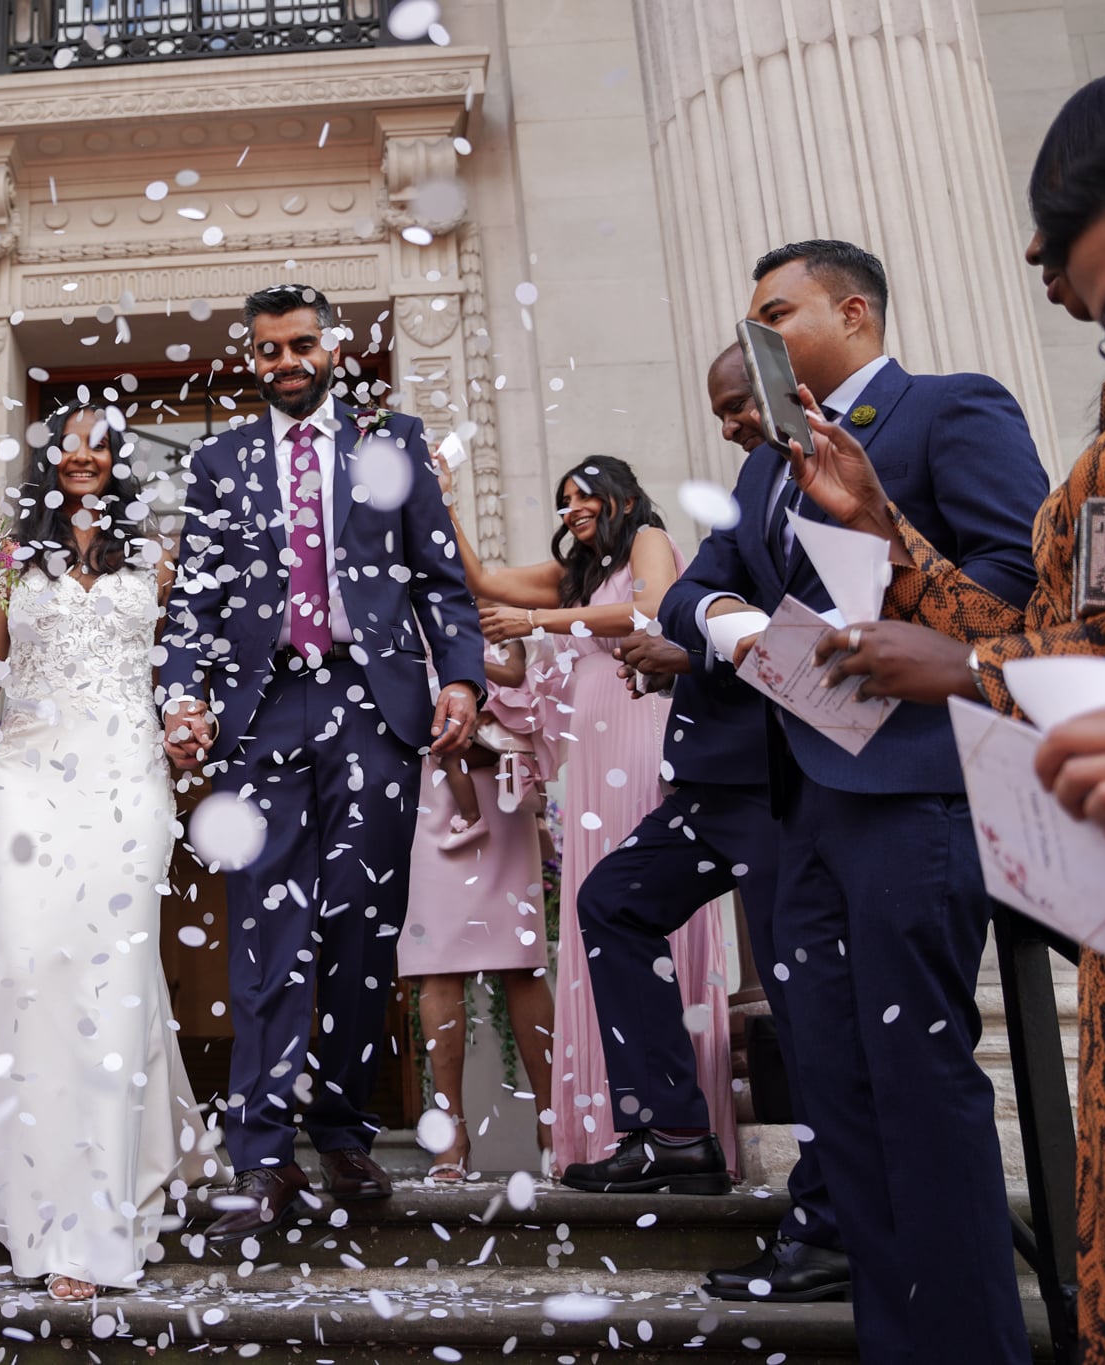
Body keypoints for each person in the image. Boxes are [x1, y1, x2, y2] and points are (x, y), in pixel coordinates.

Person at [659, 239, 1049, 1365]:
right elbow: (694, 589)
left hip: (911, 793)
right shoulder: (762, 468)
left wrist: (888, 583)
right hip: (801, 808)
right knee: (840, 1091)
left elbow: (1016, 588)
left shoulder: (948, 411)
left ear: (853, 311)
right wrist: (740, 631)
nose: (757, 340)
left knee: (917, 1084)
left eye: (774, 315)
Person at [783, 82, 1105, 1361]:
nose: (1048, 285)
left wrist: (969, 669)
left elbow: (1020, 652)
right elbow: (1049, 627)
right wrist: (883, 535)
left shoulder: (959, 404)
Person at [156, 284, 485, 1244]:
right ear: (251, 359)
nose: (286, 362)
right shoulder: (220, 461)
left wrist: (459, 680)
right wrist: (184, 696)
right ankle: (261, 1158)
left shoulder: (393, 439)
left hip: (372, 707)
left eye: (301, 344)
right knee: (265, 926)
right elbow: (197, 604)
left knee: (359, 925)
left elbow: (440, 579)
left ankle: (342, 1130)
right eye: (268, 351)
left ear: (333, 347)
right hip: (262, 714)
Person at [564, 345, 848, 1304]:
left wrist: (701, 652)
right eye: (722, 410)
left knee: (802, 998)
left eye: (737, 405)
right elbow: (691, 594)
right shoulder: (758, 473)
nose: (730, 423)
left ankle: (829, 1218)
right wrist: (699, 629)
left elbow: (835, 622)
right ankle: (676, 1133)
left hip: (785, 782)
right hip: (714, 782)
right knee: (612, 902)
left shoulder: (856, 470)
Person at [0, 406, 221, 1300]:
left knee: (109, 984)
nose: (83, 456)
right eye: (68, 442)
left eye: (100, 444)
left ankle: (91, 1225)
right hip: (25, 779)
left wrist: (187, 721)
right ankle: (32, 1188)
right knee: (30, 969)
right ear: (47, 458)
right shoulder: (6, 570)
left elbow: (183, 670)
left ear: (117, 462)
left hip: (126, 782)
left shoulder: (158, 563)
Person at [447, 453, 737, 1180]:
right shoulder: (576, 572)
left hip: (639, 735)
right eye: (563, 500)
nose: (572, 509)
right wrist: (440, 494)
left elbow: (650, 606)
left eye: (584, 496)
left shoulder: (647, 537)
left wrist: (539, 620)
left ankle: (678, 1120)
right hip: (589, 749)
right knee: (594, 915)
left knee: (642, 902)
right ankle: (610, 1128)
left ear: (622, 495)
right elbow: (482, 579)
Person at [398, 637, 556, 1179]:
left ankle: (553, 1124)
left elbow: (526, 681)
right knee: (436, 964)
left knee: (523, 962)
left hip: (503, 795)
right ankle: (451, 1136)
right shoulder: (392, 609)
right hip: (429, 791)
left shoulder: (497, 610)